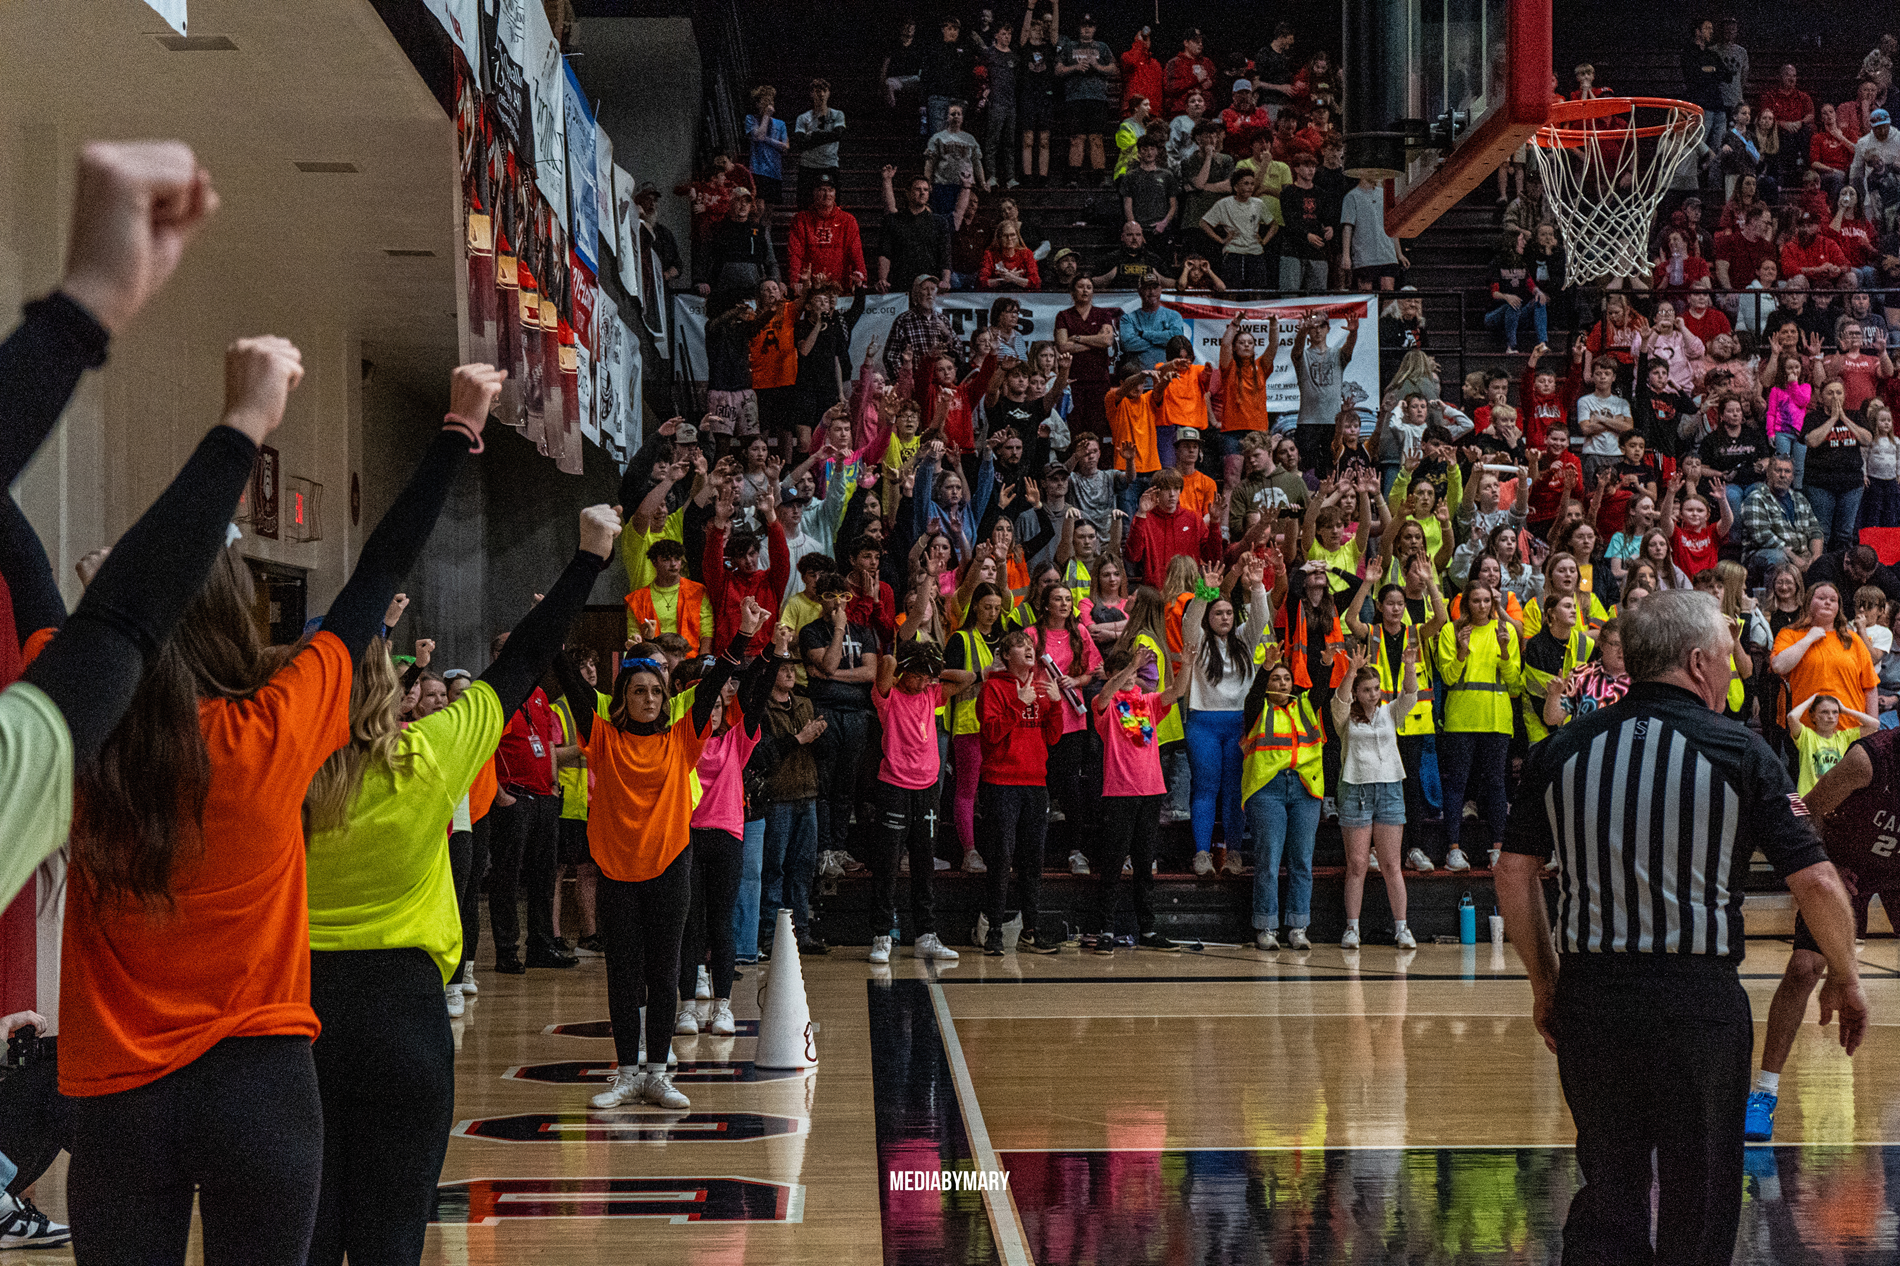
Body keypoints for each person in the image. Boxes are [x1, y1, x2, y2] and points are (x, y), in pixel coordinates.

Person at [60, 330, 487, 1261]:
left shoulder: (78, 732)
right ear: (232, 618)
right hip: (261, 1087)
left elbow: (30, 575)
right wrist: (456, 427)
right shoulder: (269, 732)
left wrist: (106, 611)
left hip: (117, 1097)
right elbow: (376, 575)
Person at [1497, 590, 1866, 1266]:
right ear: (1697, 662)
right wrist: (1846, 976)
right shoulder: (1740, 753)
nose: (1735, 670)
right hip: (1696, 1003)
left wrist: (1545, 981)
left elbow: (1513, 874)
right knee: (1698, 1199)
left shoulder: (1562, 750)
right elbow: (1815, 880)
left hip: (1594, 998)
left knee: (1610, 1187)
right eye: (1729, 658)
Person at [301, 487, 612, 1266]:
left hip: (296, 1017)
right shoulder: (428, 756)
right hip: (404, 1017)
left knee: (310, 1235)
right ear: (394, 690)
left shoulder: (276, 774)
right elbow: (521, 661)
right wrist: (587, 560)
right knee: (393, 1238)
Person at [566, 599, 770, 1114]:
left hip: (669, 868)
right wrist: (556, 629)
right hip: (617, 871)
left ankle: (657, 1074)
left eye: (658, 691)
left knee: (663, 973)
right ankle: (626, 1073)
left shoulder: (683, 738)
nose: (650, 698)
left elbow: (709, 687)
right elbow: (567, 683)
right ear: (624, 696)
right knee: (623, 975)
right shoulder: (602, 737)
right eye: (640, 690)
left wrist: (743, 636)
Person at [1747, 722, 1900, 1141]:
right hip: (1843, 864)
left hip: (1895, 868)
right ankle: (1764, 1093)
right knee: (1803, 968)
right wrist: (1810, 875)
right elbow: (1807, 810)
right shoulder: (1868, 760)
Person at [867, 638, 972, 963]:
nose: (926, 681)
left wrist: (933, 667)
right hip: (894, 787)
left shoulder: (932, 693)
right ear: (907, 671)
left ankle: (926, 935)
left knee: (924, 865)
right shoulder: (889, 695)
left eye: (930, 676)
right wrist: (912, 660)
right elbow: (885, 664)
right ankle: (882, 935)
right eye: (921, 675)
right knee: (887, 865)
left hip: (927, 790)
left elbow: (967, 678)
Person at [976, 629, 1065, 954]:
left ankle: (1031, 930)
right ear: (1005, 655)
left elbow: (1053, 738)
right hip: (1001, 784)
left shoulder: (1042, 688)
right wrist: (1018, 703)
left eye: (1030, 646)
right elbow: (991, 734)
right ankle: (994, 932)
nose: (1028, 649)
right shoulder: (993, 689)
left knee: (1032, 861)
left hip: (1035, 785)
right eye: (1020, 646)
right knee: (1001, 860)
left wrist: (1055, 705)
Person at [1331, 637, 1421, 949]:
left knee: (1391, 864)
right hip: (1355, 787)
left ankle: (1402, 928)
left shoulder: (1389, 713)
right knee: (1356, 863)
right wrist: (1350, 672)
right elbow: (1340, 702)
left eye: (1377, 688)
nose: (1374, 694)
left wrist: (1409, 666)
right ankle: (1352, 928)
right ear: (1357, 691)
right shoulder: (1345, 716)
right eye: (1367, 689)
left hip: (1391, 787)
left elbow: (1410, 693)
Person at [1242, 649, 1325, 951]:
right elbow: (1253, 694)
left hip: (1305, 789)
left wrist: (1326, 662)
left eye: (1287, 678)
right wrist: (1264, 668)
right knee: (1269, 861)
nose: (1282, 683)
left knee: (1302, 861)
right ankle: (1266, 926)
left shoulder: (1305, 706)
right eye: (1275, 679)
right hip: (1267, 789)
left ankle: (1298, 926)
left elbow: (1321, 688)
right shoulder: (1257, 708)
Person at [1771, 581, 1880, 726]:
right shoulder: (1790, 634)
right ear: (1808, 602)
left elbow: (1870, 687)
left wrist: (1873, 731)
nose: (1827, 602)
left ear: (1838, 608)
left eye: (1832, 600)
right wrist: (1809, 638)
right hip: (1807, 732)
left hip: (1850, 729)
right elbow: (1779, 666)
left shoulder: (1853, 639)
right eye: (1821, 598)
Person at [1056, 12, 1117, 187]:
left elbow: (1113, 68)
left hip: (1097, 98)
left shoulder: (1102, 47)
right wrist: (1075, 67)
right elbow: (1058, 70)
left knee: (1096, 138)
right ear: (1079, 28)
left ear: (1095, 28)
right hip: (1075, 98)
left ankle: (1099, 177)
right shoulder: (1069, 46)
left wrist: (1097, 66)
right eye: (1083, 26)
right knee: (1077, 137)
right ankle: (1073, 177)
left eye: (1090, 27)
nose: (1086, 30)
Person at [1338, 172, 1407, 291]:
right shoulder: (1352, 196)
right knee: (1366, 292)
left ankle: (1386, 310)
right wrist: (1346, 256)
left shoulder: (1385, 195)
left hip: (1387, 253)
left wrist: (1399, 253)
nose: (1376, 174)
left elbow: (1393, 226)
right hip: (1364, 256)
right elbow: (1347, 227)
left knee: (1388, 291)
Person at [792, 78, 846, 202]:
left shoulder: (837, 114)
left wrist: (813, 136)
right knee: (804, 203)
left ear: (828, 93)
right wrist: (826, 136)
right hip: (808, 165)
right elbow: (800, 143)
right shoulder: (803, 117)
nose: (821, 94)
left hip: (830, 164)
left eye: (824, 91)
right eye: (817, 91)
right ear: (812, 94)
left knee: (834, 203)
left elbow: (838, 134)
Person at [745, 85, 791, 207]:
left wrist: (767, 140)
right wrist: (766, 116)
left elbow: (785, 146)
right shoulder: (751, 119)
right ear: (757, 103)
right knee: (758, 206)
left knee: (769, 209)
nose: (768, 104)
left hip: (774, 170)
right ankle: (756, 227)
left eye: (770, 101)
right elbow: (758, 135)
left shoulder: (780, 124)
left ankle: (766, 227)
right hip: (757, 169)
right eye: (764, 101)